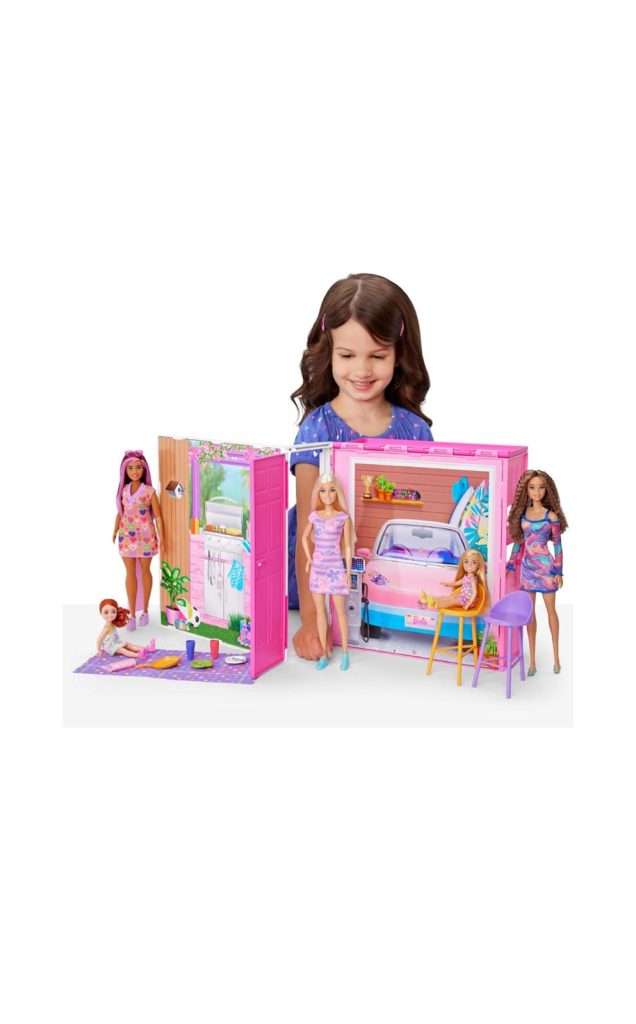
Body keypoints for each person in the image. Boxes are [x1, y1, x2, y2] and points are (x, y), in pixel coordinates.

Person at [289, 273, 433, 661]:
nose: (362, 370)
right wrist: (310, 622)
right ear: (328, 352)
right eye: (347, 355)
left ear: (399, 354)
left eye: (378, 356)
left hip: (386, 569)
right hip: (322, 571)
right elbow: (305, 529)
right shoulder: (318, 429)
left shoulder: (415, 430)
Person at [506, 470, 568, 675]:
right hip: (527, 569)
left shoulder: (551, 516)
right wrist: (511, 563)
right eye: (532, 487)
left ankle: (556, 658)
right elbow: (518, 542)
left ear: (547, 489)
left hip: (546, 569)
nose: (537, 491)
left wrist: (559, 571)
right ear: (526, 490)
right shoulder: (523, 514)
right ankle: (532, 661)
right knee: (529, 613)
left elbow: (557, 545)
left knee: (551, 611)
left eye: (541, 487)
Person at [301, 474, 353, 671]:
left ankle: (345, 653)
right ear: (318, 493)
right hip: (318, 569)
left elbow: (347, 546)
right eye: (323, 491)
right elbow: (304, 538)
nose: (327, 495)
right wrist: (309, 559)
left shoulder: (343, 518)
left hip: (336, 570)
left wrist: (348, 571)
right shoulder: (315, 516)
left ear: (337, 492)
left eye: (331, 490)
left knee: (340, 612)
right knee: (320, 612)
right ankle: (323, 653)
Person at [113, 450, 163, 629]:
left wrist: (162, 538)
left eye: (138, 468)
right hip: (127, 536)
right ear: (125, 471)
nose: (135, 471)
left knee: (145, 571)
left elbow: (158, 516)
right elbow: (121, 512)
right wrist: (114, 530)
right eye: (131, 468)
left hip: (146, 537)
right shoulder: (124, 490)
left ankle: (146, 611)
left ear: (144, 469)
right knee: (130, 573)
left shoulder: (149, 491)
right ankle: (132, 614)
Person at [420, 549, 489, 610]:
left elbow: (474, 592)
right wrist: (447, 584)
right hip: (462, 596)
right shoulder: (466, 577)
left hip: (468, 600)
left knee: (451, 601)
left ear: (478, 565)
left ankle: (435, 604)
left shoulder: (472, 579)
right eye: (466, 562)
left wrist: (468, 604)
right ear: (462, 563)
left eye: (474, 562)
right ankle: (428, 599)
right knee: (448, 598)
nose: (469, 565)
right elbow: (456, 583)